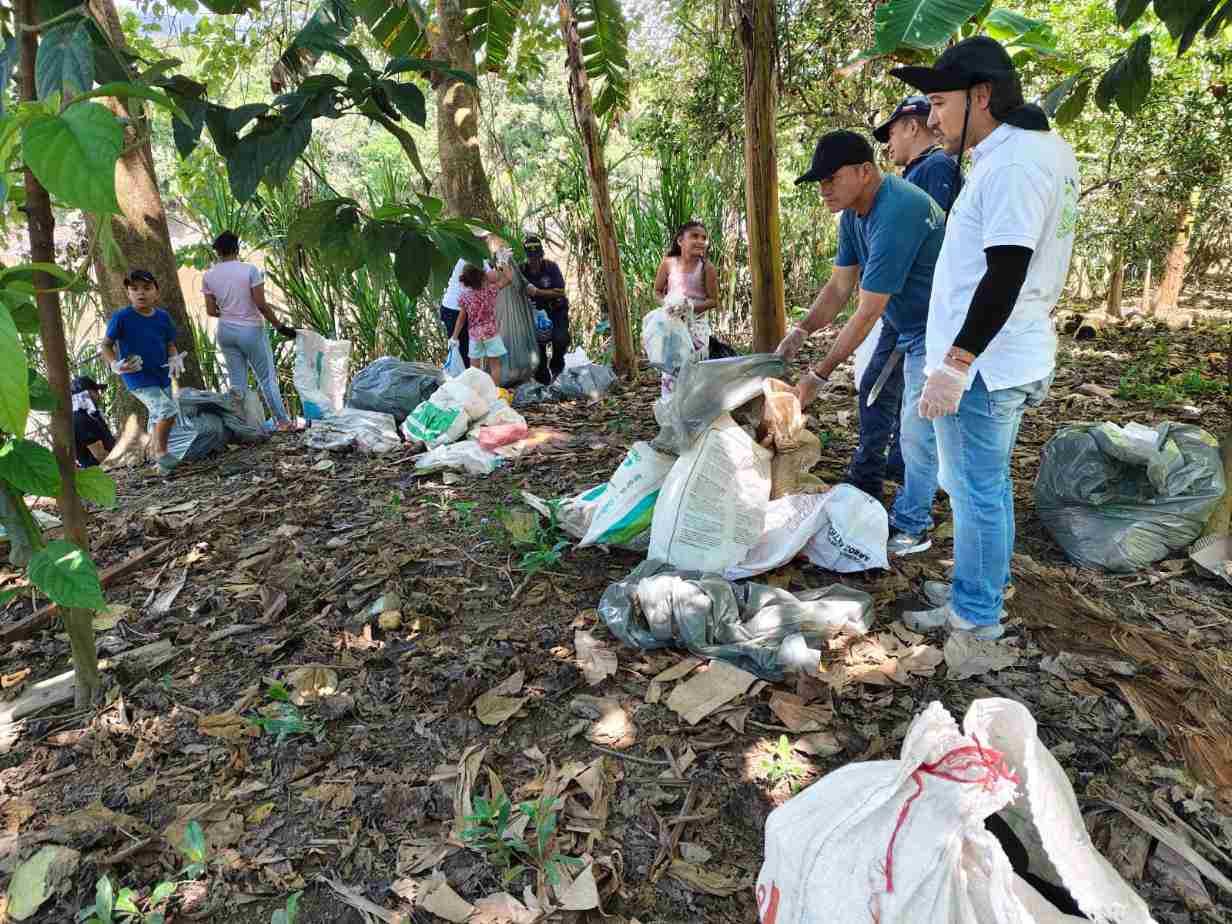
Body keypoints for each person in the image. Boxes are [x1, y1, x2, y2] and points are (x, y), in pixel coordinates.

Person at [889, 36, 1079, 640]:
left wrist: (956, 361)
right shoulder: (1028, 152)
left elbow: (1006, 270)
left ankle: (974, 617)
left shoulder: (1017, 163)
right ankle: (980, 585)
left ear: (981, 95)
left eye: (939, 102)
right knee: (981, 487)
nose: (931, 117)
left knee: (977, 492)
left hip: (985, 367)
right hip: (1001, 357)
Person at [778, 132, 945, 550]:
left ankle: (912, 523)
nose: (823, 190)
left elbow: (866, 311)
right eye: (819, 182)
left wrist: (818, 375)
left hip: (940, 325)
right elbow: (838, 288)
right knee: (872, 390)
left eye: (831, 179)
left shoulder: (898, 209)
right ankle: (868, 478)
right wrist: (801, 331)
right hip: (902, 319)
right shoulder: (854, 216)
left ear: (865, 172)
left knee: (916, 426)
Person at [202, 231, 296, 431]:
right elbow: (260, 304)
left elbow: (211, 311)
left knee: (237, 384)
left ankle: (244, 426)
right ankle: (283, 422)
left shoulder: (209, 276)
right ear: (237, 248)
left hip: (225, 332)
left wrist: (230, 314)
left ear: (217, 251)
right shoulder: (250, 270)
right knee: (267, 379)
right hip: (251, 331)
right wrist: (280, 326)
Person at [100, 269, 184, 475]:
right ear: (128, 293)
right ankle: (161, 452)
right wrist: (114, 365)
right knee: (167, 411)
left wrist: (173, 357)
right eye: (134, 289)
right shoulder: (122, 317)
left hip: (161, 374)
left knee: (157, 416)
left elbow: (169, 342)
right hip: (137, 377)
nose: (141, 293)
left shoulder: (163, 317)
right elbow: (106, 345)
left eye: (147, 288)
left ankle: (158, 466)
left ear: (156, 291)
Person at [653, 221, 719, 395]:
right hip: (672, 323)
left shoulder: (707, 268)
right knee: (672, 367)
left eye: (704, 238)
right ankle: (671, 409)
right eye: (694, 236)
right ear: (680, 241)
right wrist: (668, 305)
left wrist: (689, 307)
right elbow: (657, 291)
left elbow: (713, 301)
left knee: (695, 367)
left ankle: (693, 410)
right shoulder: (668, 263)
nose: (700, 241)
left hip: (697, 326)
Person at [874, 94, 959, 212]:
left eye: (891, 134)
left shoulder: (936, 165)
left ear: (912, 128)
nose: (888, 144)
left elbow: (938, 226)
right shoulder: (921, 169)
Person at [450, 260, 514, 387]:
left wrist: (454, 337)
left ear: (466, 280)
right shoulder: (491, 291)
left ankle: (477, 393)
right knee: (495, 366)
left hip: (474, 336)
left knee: (474, 369)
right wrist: (503, 261)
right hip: (491, 333)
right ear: (483, 276)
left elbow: (461, 319)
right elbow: (509, 278)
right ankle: (495, 392)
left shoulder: (465, 298)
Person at [522, 236, 571, 384]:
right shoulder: (521, 270)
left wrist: (538, 292)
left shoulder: (551, 267)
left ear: (541, 255)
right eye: (531, 258)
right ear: (527, 257)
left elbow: (560, 291)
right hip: (534, 315)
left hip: (555, 310)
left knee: (560, 338)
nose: (534, 262)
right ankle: (542, 379)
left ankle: (557, 368)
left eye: (536, 257)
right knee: (537, 351)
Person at [71, 376, 115, 468]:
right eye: (95, 391)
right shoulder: (81, 418)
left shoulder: (89, 415)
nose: (99, 395)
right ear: (87, 393)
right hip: (102, 470)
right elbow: (100, 454)